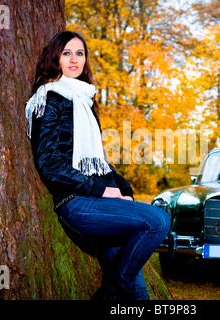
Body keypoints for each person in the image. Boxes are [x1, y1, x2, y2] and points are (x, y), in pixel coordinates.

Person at [25, 31, 170, 300]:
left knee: (138, 292)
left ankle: (113, 291)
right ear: (55, 57)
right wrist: (100, 190)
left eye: (79, 53)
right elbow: (49, 162)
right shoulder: (51, 97)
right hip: (77, 203)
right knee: (158, 220)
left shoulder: (85, 100)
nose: (74, 59)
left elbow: (101, 163)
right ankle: (107, 294)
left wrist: (124, 190)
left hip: (102, 202)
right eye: (66, 52)